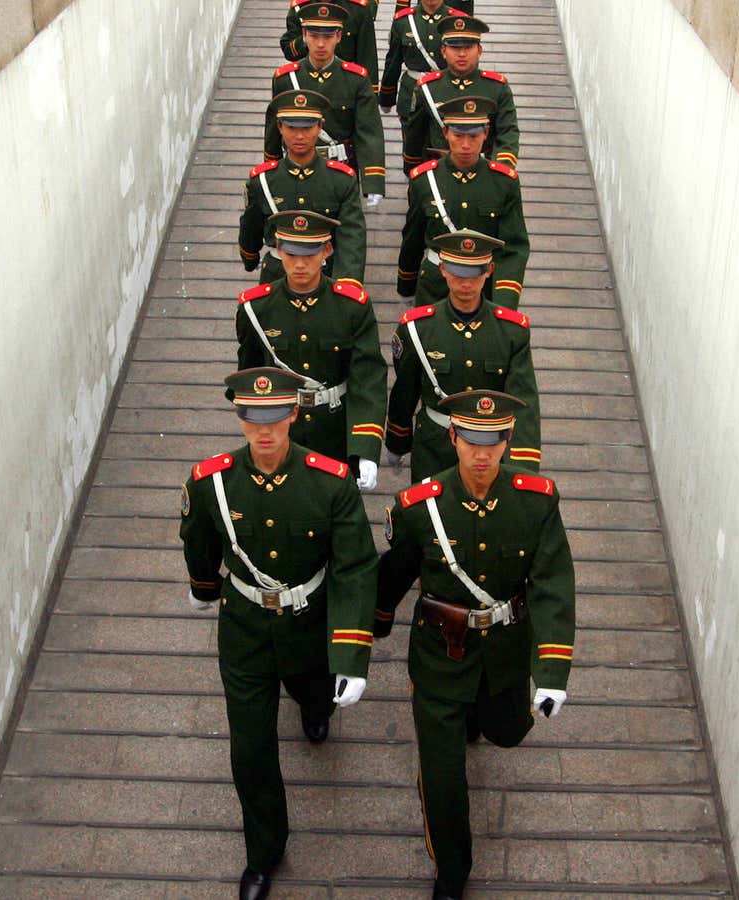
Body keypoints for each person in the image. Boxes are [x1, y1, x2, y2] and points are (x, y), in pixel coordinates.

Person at [182, 367, 379, 900]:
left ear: (294, 413)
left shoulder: (329, 482)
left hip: (309, 625)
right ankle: (263, 853)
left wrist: (351, 655)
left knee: (314, 694)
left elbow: (356, 568)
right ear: (239, 418)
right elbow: (197, 539)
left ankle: (315, 707)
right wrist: (204, 587)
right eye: (251, 418)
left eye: (274, 418)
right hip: (244, 629)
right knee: (250, 748)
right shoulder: (211, 483)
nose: (263, 431)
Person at [375, 389, 575, 900]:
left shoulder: (536, 500)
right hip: (440, 653)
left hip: (505, 649)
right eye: (471, 441)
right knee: (443, 776)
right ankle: (451, 870)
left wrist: (551, 672)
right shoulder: (420, 508)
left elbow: (552, 584)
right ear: (453, 438)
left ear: (508, 442)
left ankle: (480, 719)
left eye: (494, 442)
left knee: (507, 731)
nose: (482, 454)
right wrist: (368, 629)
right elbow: (393, 573)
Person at [236, 210, 387, 491]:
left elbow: (367, 379)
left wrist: (365, 447)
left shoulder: (352, 307)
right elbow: (248, 376)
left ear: (327, 250)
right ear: (279, 250)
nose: (300, 265)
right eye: (292, 255)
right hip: (280, 428)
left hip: (334, 429)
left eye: (310, 254)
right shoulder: (256, 308)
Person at [385, 230, 540, 482]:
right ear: (443, 269)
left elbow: (523, 398)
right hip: (434, 449)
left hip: (490, 451)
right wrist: (397, 439)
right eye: (458, 273)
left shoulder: (511, 331)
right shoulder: (417, 328)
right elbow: (405, 391)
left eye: (474, 273)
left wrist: (524, 466)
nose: (466, 284)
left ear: (489, 270)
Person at [397, 96, 529, 308]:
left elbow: (514, 246)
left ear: (486, 133)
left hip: (484, 288)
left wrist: (505, 301)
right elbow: (413, 236)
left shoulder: (503, 182)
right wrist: (406, 283)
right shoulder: (425, 179)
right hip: (435, 286)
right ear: (445, 133)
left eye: (474, 136)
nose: (466, 144)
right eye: (458, 135)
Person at [241, 90, 366, 287]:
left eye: (308, 128)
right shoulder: (263, 180)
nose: (299, 136)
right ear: (280, 127)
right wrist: (250, 257)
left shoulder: (341, 180)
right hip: (278, 273)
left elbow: (352, 235)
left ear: (320, 127)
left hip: (326, 272)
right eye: (291, 127)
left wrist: (347, 284)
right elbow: (251, 226)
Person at [266, 3, 386, 207]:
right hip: (297, 165)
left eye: (328, 37)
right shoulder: (286, 79)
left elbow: (368, 130)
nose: (321, 44)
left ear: (338, 37)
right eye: (314, 36)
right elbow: (273, 130)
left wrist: (372, 180)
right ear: (305, 35)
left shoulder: (356, 79)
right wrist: (271, 169)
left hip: (341, 164)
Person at [402, 14, 519, 170]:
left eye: (468, 47)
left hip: (484, 169)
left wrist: (501, 169)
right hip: (439, 170)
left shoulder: (497, 87)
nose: (462, 54)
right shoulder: (427, 87)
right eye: (455, 47)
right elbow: (415, 135)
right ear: (443, 51)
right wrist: (413, 170)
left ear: (479, 50)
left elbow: (507, 132)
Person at [379, 0, 465, 158]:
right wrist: (387, 97)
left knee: (443, 149)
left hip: (446, 95)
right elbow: (393, 61)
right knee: (412, 151)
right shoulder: (403, 21)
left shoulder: (458, 21)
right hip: (413, 94)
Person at [281, 0, 376, 81]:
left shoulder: (358, 9)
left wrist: (369, 96)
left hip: (346, 83)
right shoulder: (300, 7)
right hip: (307, 81)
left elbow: (367, 57)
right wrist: (308, 37)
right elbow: (289, 51)